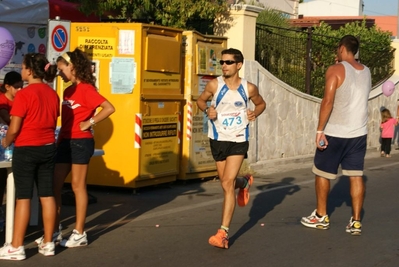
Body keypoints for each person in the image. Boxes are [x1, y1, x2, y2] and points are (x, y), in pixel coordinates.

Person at [300, 35, 371, 236]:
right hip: (358, 133)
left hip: (335, 132)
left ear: (341, 48)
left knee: (322, 172)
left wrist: (319, 130)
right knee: (356, 175)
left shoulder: (335, 69)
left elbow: (328, 101)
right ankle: (356, 221)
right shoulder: (366, 71)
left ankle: (321, 216)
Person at [196, 48, 266, 249]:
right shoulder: (214, 85)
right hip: (218, 138)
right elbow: (200, 100)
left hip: (238, 138)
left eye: (228, 62)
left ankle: (223, 233)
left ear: (239, 65)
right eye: (222, 62)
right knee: (226, 183)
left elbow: (261, 104)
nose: (224, 66)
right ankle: (243, 182)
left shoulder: (248, 88)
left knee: (227, 183)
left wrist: (255, 113)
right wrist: (207, 109)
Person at [50, 48, 114, 248]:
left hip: (81, 141)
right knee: (55, 184)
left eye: (62, 69)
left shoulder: (86, 89)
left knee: (78, 186)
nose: (60, 74)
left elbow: (109, 108)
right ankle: (54, 230)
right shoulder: (67, 91)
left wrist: (90, 122)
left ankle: (79, 232)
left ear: (73, 67)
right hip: (65, 141)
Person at [0, 53, 59, 260]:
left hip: (26, 148)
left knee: (23, 197)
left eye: (24, 67)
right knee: (47, 194)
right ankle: (49, 242)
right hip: (48, 147)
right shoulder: (53, 94)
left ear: (30, 70)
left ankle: (16, 246)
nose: (22, 70)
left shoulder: (24, 94)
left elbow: (14, 127)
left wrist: (6, 141)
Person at [0, 71, 23, 232]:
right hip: (5, 147)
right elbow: (9, 120)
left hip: (18, 146)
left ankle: (13, 218)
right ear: (7, 87)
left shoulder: (21, 99)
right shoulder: (2, 101)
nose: (20, 90)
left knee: (14, 186)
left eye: (21, 87)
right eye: (16, 87)